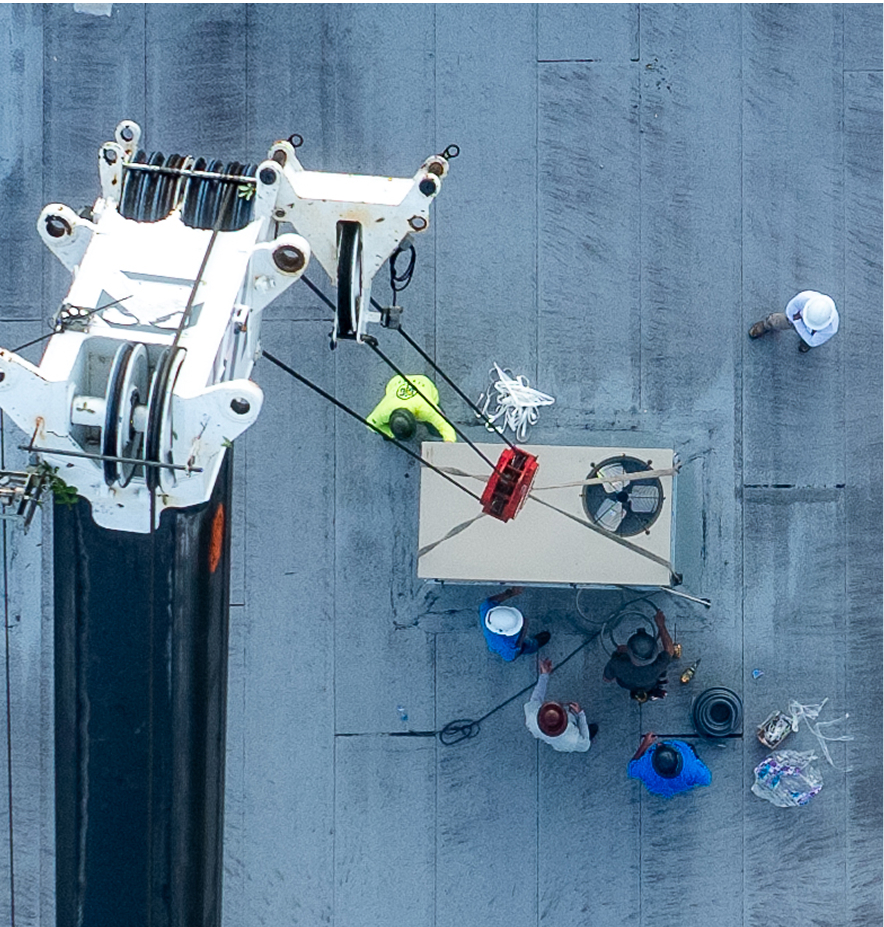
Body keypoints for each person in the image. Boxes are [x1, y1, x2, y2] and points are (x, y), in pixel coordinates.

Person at [524, 658, 597, 752]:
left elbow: (536, 698)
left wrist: (544, 675)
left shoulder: (531, 716)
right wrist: (580, 714)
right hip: (567, 742)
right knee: (590, 730)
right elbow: (585, 746)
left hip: (556, 744)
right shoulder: (572, 738)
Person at [602, 609, 676, 701]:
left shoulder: (616, 664)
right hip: (649, 685)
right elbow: (670, 650)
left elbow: (607, 678)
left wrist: (620, 656)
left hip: (626, 684)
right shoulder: (658, 666)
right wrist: (661, 626)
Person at [366, 374, 457, 441]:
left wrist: (449, 440)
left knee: (436, 424)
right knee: (386, 435)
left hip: (423, 383)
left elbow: (445, 425)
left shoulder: (426, 408)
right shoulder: (384, 410)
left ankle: (434, 431)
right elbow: (370, 424)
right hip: (397, 381)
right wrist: (390, 433)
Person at [748, 290, 839, 353]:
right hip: (795, 319)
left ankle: (804, 342)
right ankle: (766, 325)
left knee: (807, 341)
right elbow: (789, 311)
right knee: (777, 320)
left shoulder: (831, 329)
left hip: (799, 320)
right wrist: (798, 322)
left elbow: (813, 341)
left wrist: (798, 322)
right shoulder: (804, 297)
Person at [628, 732, 711, 798]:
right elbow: (706, 779)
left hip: (659, 788)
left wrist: (644, 745)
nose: (659, 744)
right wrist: (694, 758)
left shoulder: (644, 766)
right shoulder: (692, 768)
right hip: (680, 785)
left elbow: (631, 768)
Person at [479, 586, 550, 662]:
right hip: (502, 645)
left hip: (493, 642)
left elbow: (490, 601)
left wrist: (511, 592)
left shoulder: (486, 609)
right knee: (528, 646)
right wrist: (523, 631)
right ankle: (536, 644)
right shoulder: (508, 647)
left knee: (494, 646)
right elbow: (512, 655)